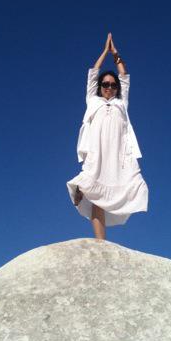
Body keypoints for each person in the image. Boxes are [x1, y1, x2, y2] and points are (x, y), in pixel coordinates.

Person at [66, 33, 148, 240]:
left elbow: (124, 76)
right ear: (100, 87)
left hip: (118, 152)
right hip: (97, 148)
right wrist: (105, 52)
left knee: (130, 181)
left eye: (112, 85)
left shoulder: (122, 103)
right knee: (95, 187)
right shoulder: (93, 100)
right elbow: (93, 74)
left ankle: (100, 238)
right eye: (105, 84)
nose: (109, 87)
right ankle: (82, 191)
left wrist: (116, 54)